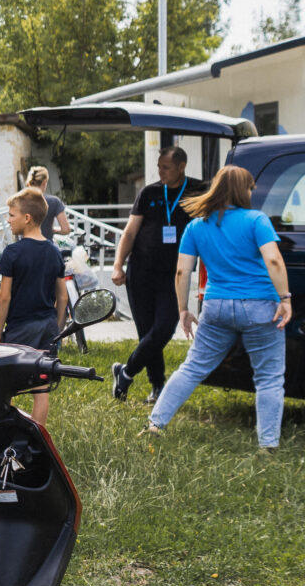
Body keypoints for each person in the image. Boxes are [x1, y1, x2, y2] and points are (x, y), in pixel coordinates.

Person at [145, 166, 291, 450]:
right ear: (241, 190)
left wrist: (183, 310)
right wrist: (284, 298)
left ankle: (155, 423)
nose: (252, 192)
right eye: (250, 187)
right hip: (260, 307)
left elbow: (181, 272)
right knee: (269, 377)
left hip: (216, 307)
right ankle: (268, 445)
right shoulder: (256, 220)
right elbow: (273, 261)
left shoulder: (197, 226)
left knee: (192, 368)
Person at [110, 147, 204, 404]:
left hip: (175, 275)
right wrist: (118, 265)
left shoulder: (198, 191)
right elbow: (129, 232)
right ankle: (157, 386)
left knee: (163, 329)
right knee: (147, 333)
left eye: (166, 167)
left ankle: (125, 372)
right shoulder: (149, 192)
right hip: (140, 272)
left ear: (181, 166)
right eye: (159, 166)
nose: (160, 171)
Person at [0, 186, 69, 427]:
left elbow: (4, 297)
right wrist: (57, 328)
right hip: (47, 325)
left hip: (20, 328)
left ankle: (8, 434)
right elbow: (63, 297)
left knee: (6, 385)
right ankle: (39, 439)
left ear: (27, 218)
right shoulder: (54, 252)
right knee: (41, 387)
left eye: (12, 215)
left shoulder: (12, 252)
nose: (8, 220)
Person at [26, 166, 70, 249]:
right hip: (46, 250)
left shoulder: (20, 200)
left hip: (25, 249)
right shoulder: (54, 201)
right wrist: (54, 230)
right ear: (44, 182)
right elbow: (66, 229)